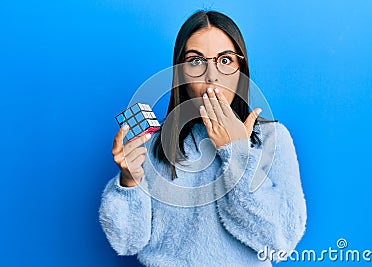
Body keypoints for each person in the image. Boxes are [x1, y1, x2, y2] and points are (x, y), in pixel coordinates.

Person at [99, 10, 307, 266]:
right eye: (196, 61)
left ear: (241, 68)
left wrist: (237, 151)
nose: (212, 76)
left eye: (225, 60)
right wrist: (129, 182)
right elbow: (128, 241)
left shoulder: (274, 138)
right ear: (181, 73)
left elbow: (281, 242)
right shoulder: (153, 144)